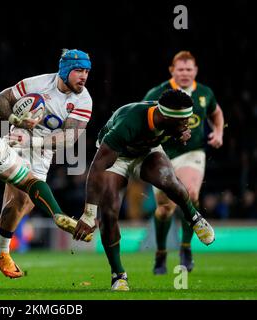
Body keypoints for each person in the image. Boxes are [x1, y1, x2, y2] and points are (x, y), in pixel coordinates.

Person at [0, 48, 93, 289]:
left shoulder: (83, 99)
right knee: (20, 202)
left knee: (16, 209)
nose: (84, 76)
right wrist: (17, 122)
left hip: (42, 153)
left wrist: (34, 141)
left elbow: (68, 138)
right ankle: (2, 250)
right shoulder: (37, 83)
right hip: (18, 144)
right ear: (65, 70)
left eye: (87, 71)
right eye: (79, 70)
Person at [74, 89, 215, 291]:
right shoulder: (128, 122)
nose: (187, 124)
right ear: (166, 117)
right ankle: (119, 275)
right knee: (109, 212)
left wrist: (179, 134)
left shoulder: (167, 119)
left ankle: (195, 218)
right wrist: (88, 214)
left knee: (170, 181)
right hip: (117, 157)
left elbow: (175, 131)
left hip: (146, 151)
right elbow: (97, 167)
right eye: (183, 120)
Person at [143, 51, 224, 274]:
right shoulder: (157, 93)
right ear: (172, 70)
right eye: (181, 69)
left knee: (190, 194)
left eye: (189, 69)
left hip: (192, 152)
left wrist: (218, 133)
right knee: (165, 208)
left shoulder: (204, 93)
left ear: (195, 70)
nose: (185, 73)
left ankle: (186, 248)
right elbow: (144, 120)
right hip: (161, 153)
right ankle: (160, 253)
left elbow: (216, 113)